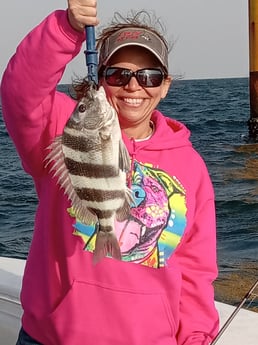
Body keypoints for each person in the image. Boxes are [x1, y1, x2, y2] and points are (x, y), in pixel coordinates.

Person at [1, 1, 219, 344]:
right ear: (100, 81)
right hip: (53, 338)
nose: (134, 86)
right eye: (119, 75)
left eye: (149, 76)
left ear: (165, 85)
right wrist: (65, 29)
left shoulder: (190, 165)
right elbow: (20, 91)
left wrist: (196, 335)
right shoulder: (62, 129)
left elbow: (195, 268)